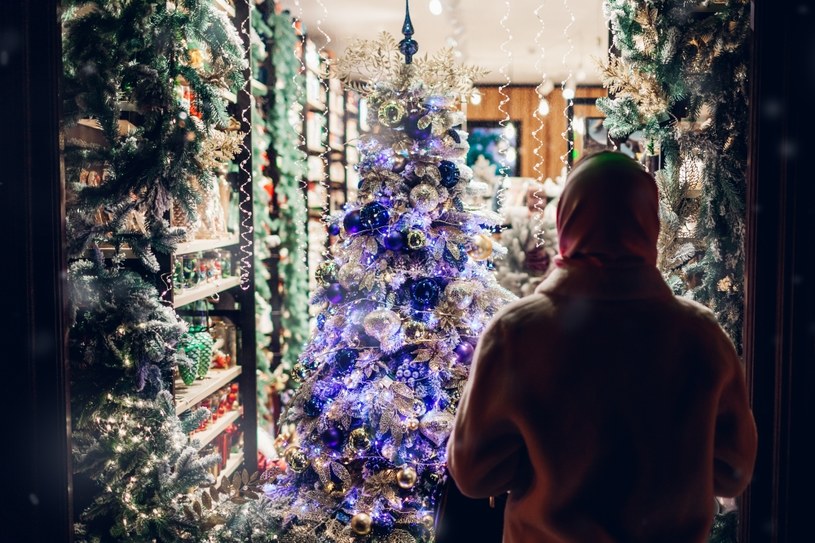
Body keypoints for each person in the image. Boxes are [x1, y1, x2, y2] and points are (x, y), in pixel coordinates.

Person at [446, 151, 757, 543]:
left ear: (565, 222)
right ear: (651, 224)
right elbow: (733, 470)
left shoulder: (516, 332)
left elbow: (474, 474)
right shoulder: (700, 333)